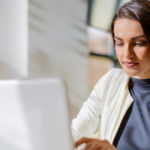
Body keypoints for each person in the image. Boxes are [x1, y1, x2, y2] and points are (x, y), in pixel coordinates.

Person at [71, 0, 150, 150]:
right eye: (119, 43)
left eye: (139, 43)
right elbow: (76, 133)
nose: (127, 54)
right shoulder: (111, 81)